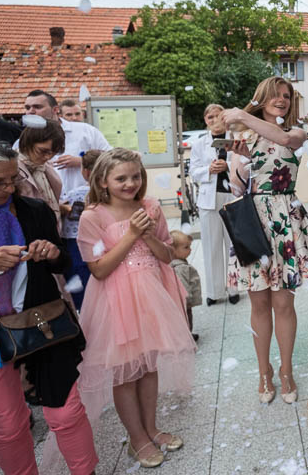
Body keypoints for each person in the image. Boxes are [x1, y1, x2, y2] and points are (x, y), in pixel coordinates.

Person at [0, 138, 98, 475]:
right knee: (8, 426)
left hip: (41, 323)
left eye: (12, 178)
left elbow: (61, 265)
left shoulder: (33, 210)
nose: (8, 188)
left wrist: (52, 252)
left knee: (66, 412)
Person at [75, 148, 196, 468]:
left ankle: (151, 428)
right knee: (126, 374)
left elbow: (167, 255)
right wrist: (130, 235)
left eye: (136, 176)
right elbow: (99, 269)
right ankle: (136, 437)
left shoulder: (150, 207)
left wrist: (148, 233)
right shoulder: (93, 217)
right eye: (121, 178)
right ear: (102, 180)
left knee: (148, 366)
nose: (130, 183)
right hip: (116, 302)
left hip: (151, 296)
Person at [221, 76, 308, 404]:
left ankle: (286, 370)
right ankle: (263, 371)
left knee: (284, 302)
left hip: (285, 220)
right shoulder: (240, 136)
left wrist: (243, 116)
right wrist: (240, 163)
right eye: (275, 95)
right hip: (254, 221)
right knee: (258, 302)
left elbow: (285, 138)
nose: (282, 100)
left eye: (286, 96)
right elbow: (238, 188)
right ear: (262, 97)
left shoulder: (296, 132)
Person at [189, 103, 237, 305]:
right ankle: (214, 292)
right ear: (205, 120)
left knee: (233, 246)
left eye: (218, 116)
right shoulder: (199, 144)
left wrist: (229, 165)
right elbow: (193, 172)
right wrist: (209, 169)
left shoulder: (236, 139)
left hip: (233, 197)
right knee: (212, 246)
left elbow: (249, 165)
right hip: (209, 199)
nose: (215, 120)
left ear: (225, 118)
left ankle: (234, 288)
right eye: (210, 117)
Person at [23, 90, 111, 194]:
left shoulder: (86, 131)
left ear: (55, 110)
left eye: (37, 107)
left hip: (86, 198)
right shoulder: (23, 141)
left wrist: (82, 161)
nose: (31, 112)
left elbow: (111, 158)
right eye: (27, 108)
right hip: (50, 203)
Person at [59, 149, 103, 310]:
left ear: (85, 171)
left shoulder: (77, 194)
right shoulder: (109, 194)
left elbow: (60, 211)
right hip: (101, 242)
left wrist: (63, 208)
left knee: (80, 280)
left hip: (74, 242)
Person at [16, 120, 66, 231]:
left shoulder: (45, 167)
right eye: (43, 151)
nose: (48, 157)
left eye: (53, 153)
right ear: (28, 142)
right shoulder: (11, 169)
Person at [170, 229, 202, 342]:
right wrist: (187, 298)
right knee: (186, 317)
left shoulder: (178, 264)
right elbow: (183, 285)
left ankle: (187, 335)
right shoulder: (180, 268)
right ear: (173, 250)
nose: (190, 250)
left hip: (182, 300)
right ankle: (187, 337)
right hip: (184, 300)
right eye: (186, 247)